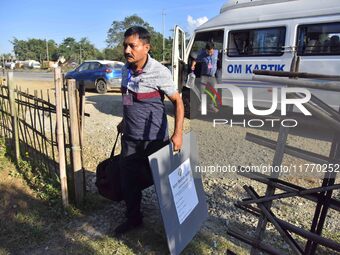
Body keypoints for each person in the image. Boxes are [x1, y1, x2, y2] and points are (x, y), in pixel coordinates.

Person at [114, 26, 184, 236]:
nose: (127, 50)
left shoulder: (160, 72)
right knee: (129, 182)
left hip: (155, 141)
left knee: (165, 185)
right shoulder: (126, 69)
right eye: (125, 45)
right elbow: (127, 97)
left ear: (146, 47)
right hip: (131, 139)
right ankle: (134, 218)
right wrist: (124, 120)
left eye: (132, 46)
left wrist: (178, 134)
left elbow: (178, 103)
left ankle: (175, 228)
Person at [191, 42, 219, 112]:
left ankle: (211, 105)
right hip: (204, 76)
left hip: (212, 77)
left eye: (211, 52)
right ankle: (201, 106)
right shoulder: (202, 55)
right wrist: (193, 65)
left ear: (213, 49)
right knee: (202, 92)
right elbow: (195, 60)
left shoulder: (216, 52)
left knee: (215, 91)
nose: (210, 53)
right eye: (208, 52)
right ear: (206, 50)